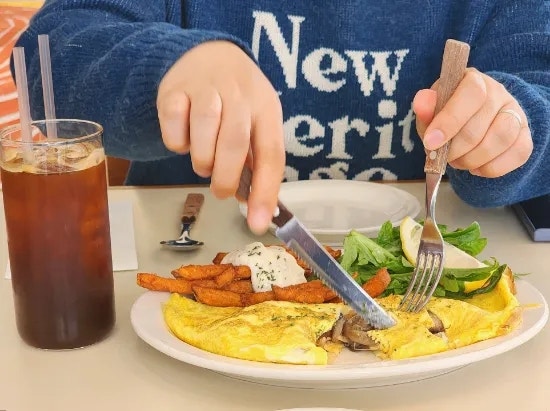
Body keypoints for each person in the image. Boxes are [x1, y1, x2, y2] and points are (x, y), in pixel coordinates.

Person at [15, 0, 550, 234]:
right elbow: (48, 53)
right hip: (185, 275)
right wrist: (168, 66)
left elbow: (539, 98)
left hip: (432, 309)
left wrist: (514, 130)